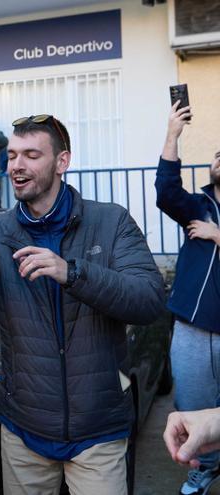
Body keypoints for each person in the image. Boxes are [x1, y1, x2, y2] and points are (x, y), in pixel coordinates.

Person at [0, 114, 164, 495]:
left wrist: (71, 272)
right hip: (24, 434)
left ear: (62, 162)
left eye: (31, 155)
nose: (16, 166)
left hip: (97, 433)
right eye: (11, 155)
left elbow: (148, 300)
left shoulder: (111, 221)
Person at [155, 100, 220, 495]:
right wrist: (173, 134)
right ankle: (204, 468)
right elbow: (165, 192)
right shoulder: (198, 205)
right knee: (195, 408)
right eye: (217, 155)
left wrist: (217, 236)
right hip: (194, 332)